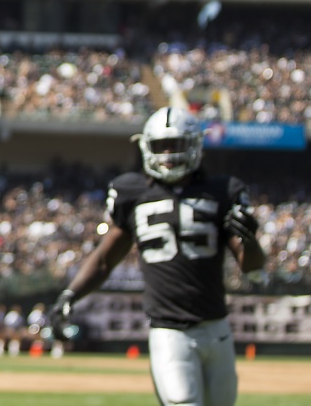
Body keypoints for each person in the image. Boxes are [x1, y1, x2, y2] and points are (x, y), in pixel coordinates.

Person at [48, 106, 265, 406]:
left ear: (195, 146)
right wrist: (70, 295)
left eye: (175, 145)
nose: (167, 154)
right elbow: (104, 260)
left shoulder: (223, 191)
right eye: (160, 145)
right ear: (145, 147)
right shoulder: (131, 192)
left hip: (217, 329)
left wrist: (251, 241)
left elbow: (251, 267)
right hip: (169, 331)